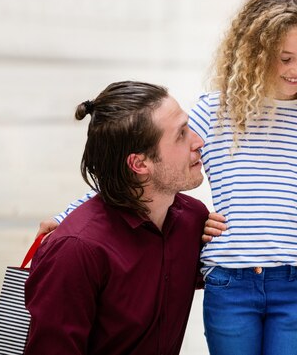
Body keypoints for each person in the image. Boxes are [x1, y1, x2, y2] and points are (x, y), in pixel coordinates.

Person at [41, 0, 297, 355]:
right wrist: (68, 217)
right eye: (284, 58)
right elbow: (148, 170)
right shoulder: (216, 110)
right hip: (229, 285)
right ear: (254, 54)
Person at [25, 81, 210, 355]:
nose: (199, 141)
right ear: (139, 164)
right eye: (181, 134)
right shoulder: (77, 250)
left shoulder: (193, 220)